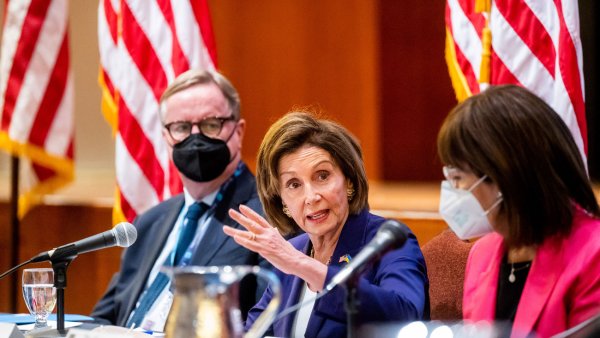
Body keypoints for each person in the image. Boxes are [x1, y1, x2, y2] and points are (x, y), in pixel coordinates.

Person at [223, 111, 429, 337]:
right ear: (281, 200)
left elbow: (406, 318)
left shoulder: (387, 241)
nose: (311, 196)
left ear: (348, 181)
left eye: (322, 176)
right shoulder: (293, 251)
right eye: (294, 184)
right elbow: (253, 332)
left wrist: (301, 265)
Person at [91, 69, 268, 331]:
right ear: (166, 136)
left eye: (211, 124)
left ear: (238, 131)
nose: (195, 138)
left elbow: (266, 325)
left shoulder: (266, 217)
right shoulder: (150, 222)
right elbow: (104, 318)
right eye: (182, 128)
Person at [437, 84, 600, 337]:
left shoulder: (593, 254)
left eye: (457, 176)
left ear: (503, 176)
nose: (452, 189)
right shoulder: (482, 254)